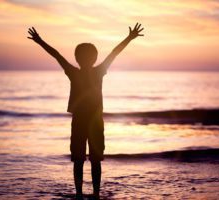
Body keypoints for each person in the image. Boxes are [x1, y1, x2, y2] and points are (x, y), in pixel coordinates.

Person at [27, 23, 144, 198]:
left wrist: (40, 41)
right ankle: (85, 194)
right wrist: (40, 41)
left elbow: (59, 55)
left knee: (88, 160)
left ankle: (85, 194)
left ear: (80, 58)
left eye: (85, 56)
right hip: (88, 121)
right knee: (83, 160)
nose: (85, 59)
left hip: (90, 121)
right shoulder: (93, 71)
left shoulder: (79, 72)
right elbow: (112, 53)